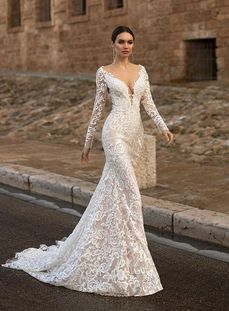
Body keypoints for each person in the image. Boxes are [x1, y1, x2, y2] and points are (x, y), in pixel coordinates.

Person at [2, 25, 174, 297]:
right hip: (114, 133)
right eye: (121, 41)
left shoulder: (141, 71)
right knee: (132, 192)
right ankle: (139, 257)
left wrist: (163, 127)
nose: (126, 46)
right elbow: (97, 109)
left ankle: (118, 249)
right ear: (113, 44)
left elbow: (149, 103)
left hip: (135, 137)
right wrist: (87, 142)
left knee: (114, 194)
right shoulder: (104, 72)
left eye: (130, 42)